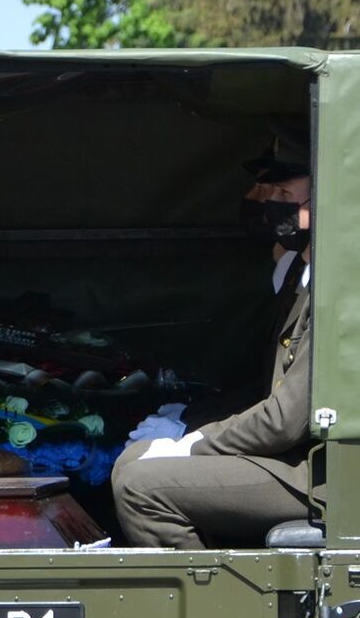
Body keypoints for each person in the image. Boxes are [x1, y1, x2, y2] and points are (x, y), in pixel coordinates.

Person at [110, 158, 317, 549]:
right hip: (293, 458)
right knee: (134, 460)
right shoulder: (302, 278)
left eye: (285, 195)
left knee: (140, 486)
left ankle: (203, 608)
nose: (271, 205)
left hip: (315, 474)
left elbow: (284, 420)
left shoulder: (334, 292)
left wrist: (192, 442)